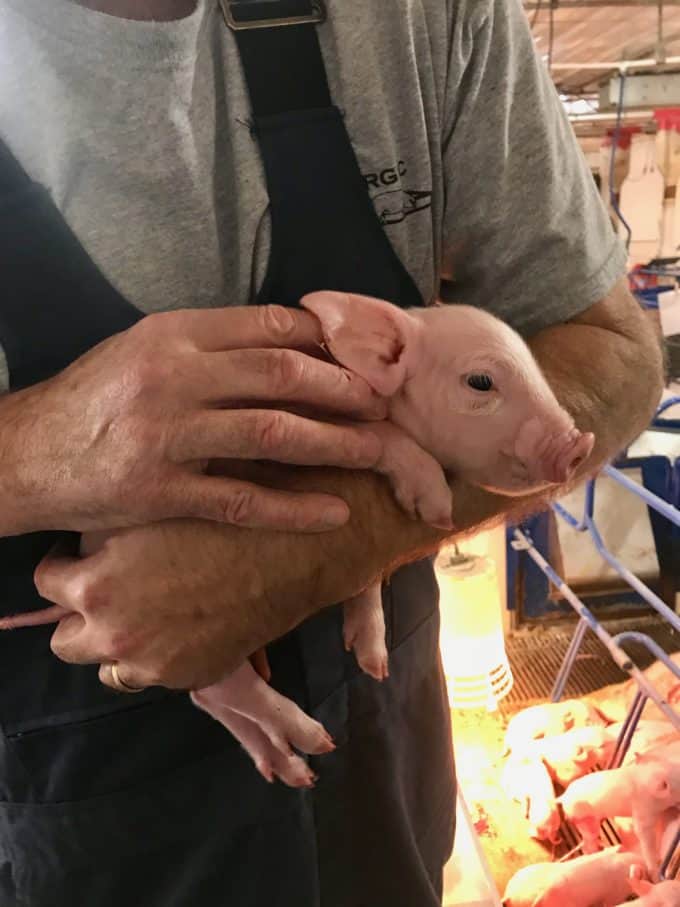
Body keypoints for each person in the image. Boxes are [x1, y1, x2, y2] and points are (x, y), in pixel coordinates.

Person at [0, 0, 663, 904]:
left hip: (383, 789)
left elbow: (617, 352)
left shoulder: (426, 16)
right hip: (65, 811)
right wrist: (31, 449)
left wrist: (314, 549)